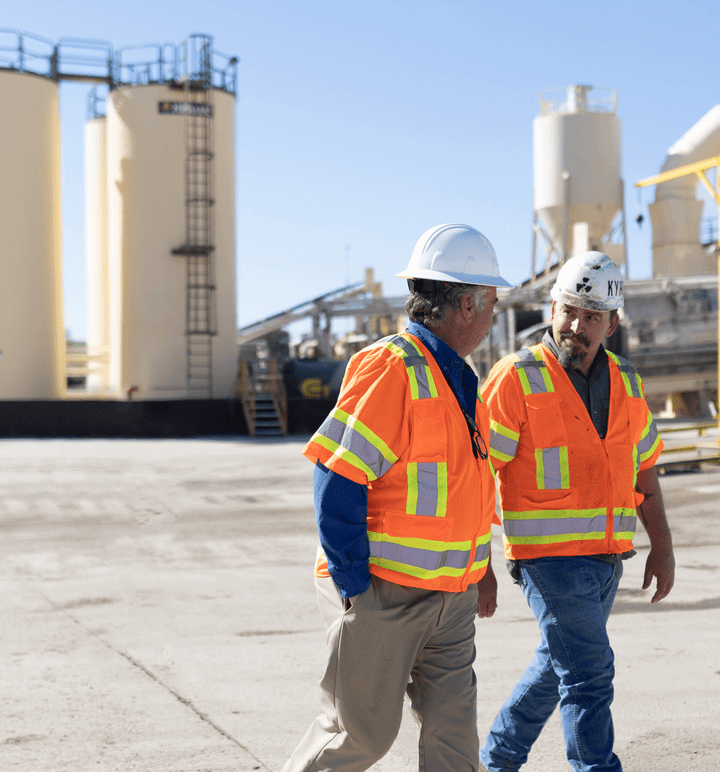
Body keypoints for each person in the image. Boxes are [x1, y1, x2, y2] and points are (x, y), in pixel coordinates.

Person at [283, 223, 512, 772]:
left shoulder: (462, 379)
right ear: (466, 303)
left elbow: (465, 486)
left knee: (455, 745)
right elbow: (337, 478)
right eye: (492, 304)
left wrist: (478, 566)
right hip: (384, 594)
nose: (494, 317)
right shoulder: (392, 368)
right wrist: (356, 588)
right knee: (360, 736)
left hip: (450, 601)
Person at [478, 251, 675, 772]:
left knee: (554, 667)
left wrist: (664, 546)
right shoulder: (514, 378)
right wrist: (479, 567)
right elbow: (475, 478)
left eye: (591, 316)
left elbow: (645, 467)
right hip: (547, 561)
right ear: (552, 306)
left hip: (609, 559)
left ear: (612, 323)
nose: (576, 326)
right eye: (568, 310)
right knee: (589, 672)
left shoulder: (627, 382)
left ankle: (495, 762)